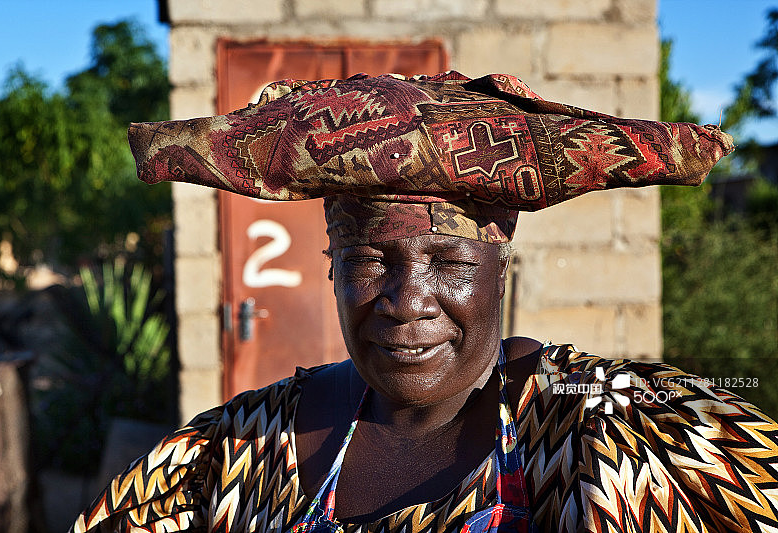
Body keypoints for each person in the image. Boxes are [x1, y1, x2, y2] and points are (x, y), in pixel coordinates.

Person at [72, 72, 778, 533]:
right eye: (370, 258)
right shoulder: (237, 449)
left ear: (501, 264)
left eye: (448, 260)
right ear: (332, 265)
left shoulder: (604, 431)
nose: (406, 301)